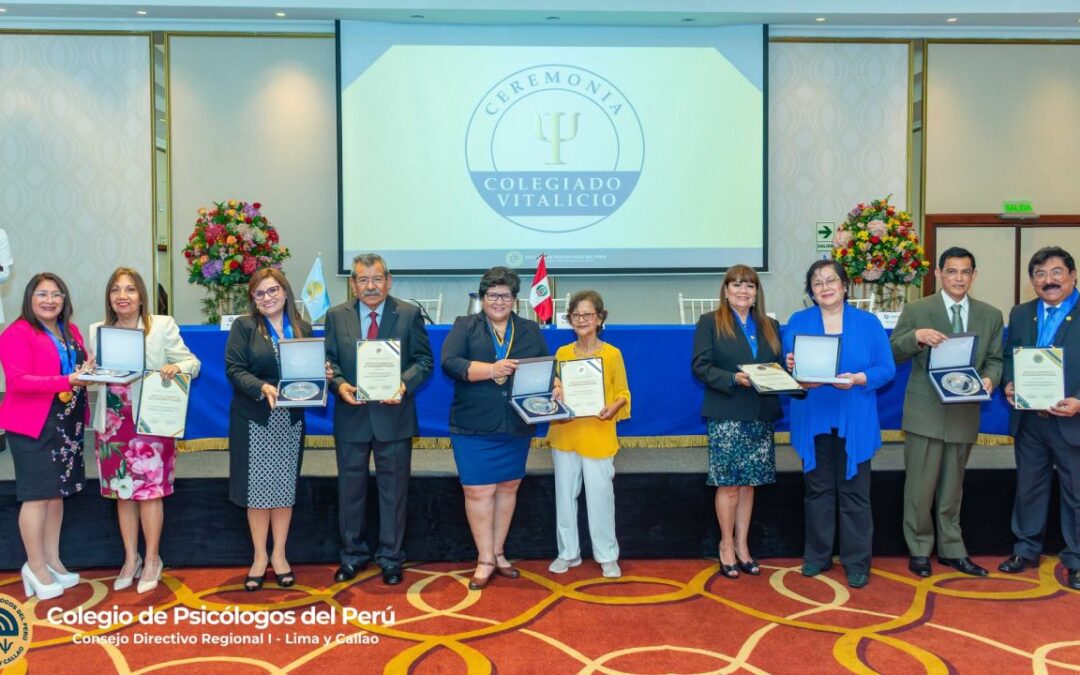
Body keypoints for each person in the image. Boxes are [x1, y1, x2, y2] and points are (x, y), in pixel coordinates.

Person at [891, 247, 1003, 578]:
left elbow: (996, 360)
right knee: (919, 487)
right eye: (951, 271)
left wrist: (989, 379)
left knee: (953, 487)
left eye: (965, 272)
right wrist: (916, 337)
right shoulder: (917, 309)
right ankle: (920, 549)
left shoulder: (990, 314)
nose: (958, 278)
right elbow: (893, 351)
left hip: (965, 410)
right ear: (939, 274)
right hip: (925, 411)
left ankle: (953, 549)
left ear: (974, 276)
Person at [88, 267, 201, 593]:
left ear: (141, 297)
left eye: (130, 290)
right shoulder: (97, 330)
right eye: (116, 290)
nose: (123, 296)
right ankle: (130, 558)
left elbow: (193, 363)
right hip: (111, 425)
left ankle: (152, 559)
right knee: (122, 494)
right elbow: (93, 372)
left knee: (150, 495)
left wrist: (175, 367)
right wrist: (88, 371)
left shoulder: (161, 326)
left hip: (150, 424)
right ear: (109, 297)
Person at [783, 260, 895, 589]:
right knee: (817, 491)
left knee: (855, 493)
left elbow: (886, 369)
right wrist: (793, 369)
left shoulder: (868, 322)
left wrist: (861, 378)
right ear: (811, 292)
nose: (825, 287)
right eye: (817, 283)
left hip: (855, 416)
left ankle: (857, 562)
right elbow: (790, 366)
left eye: (831, 280)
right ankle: (817, 557)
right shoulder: (799, 321)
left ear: (845, 285)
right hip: (814, 414)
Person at [325, 253, 433, 586]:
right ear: (353, 284)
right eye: (362, 279)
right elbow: (329, 361)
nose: (370, 286)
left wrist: (404, 384)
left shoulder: (409, 314)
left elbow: (423, 361)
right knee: (350, 492)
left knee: (394, 492)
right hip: (351, 415)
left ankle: (390, 558)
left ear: (388, 281)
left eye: (376, 279)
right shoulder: (335, 316)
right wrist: (339, 384)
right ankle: (352, 556)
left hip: (393, 416)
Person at [441, 266, 548, 590]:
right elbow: (450, 362)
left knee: (508, 487)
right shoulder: (465, 326)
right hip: (473, 423)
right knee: (478, 489)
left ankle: (500, 553)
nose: (498, 301)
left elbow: (543, 368)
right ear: (483, 297)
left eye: (505, 295)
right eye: (492, 295)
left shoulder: (529, 329)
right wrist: (491, 369)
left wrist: (554, 384)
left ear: (515, 299)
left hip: (515, 423)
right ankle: (484, 558)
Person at [0, 273, 91, 600]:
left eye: (57, 294)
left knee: (56, 494)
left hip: (67, 423)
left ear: (64, 300)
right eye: (42, 294)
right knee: (37, 495)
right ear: (29, 298)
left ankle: (52, 559)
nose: (50, 300)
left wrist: (89, 372)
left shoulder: (72, 331)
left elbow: (79, 370)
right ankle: (34, 565)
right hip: (32, 423)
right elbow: (19, 381)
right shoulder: (16, 333)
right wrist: (68, 380)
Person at [691, 265, 783, 579]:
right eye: (737, 285)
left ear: (757, 292)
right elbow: (700, 367)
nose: (743, 291)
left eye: (750, 286)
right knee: (729, 485)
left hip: (760, 413)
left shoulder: (770, 324)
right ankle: (726, 545)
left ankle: (743, 546)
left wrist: (789, 366)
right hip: (727, 413)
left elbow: (777, 367)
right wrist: (733, 378)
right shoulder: (710, 322)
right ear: (726, 290)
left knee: (749, 484)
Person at [225, 268, 312, 591]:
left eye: (273, 290)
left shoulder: (302, 328)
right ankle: (260, 556)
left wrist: (323, 373)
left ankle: (280, 554)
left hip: (290, 420)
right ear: (253, 299)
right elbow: (234, 369)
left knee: (284, 489)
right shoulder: (245, 327)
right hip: (255, 418)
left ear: (285, 292)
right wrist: (262, 387)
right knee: (258, 491)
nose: (267, 298)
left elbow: (309, 369)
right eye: (259, 294)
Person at [1001, 246, 1080, 590]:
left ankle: (1076, 558)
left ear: (1073, 275)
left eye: (1057, 272)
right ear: (1032, 281)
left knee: (1076, 493)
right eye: (1040, 275)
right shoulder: (1021, 313)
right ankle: (1026, 549)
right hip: (1030, 419)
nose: (1049, 281)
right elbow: (1007, 355)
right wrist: (1008, 382)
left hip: (1072, 420)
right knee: (1029, 487)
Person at [546, 290, 630, 578]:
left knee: (601, 498)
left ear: (600, 318)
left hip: (598, 433)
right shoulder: (562, 353)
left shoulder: (612, 354)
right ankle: (568, 553)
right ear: (570, 320)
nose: (581, 320)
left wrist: (613, 406)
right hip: (565, 433)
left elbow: (623, 393)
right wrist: (556, 391)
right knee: (565, 497)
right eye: (576, 315)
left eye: (588, 314)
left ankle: (607, 555)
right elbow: (556, 387)